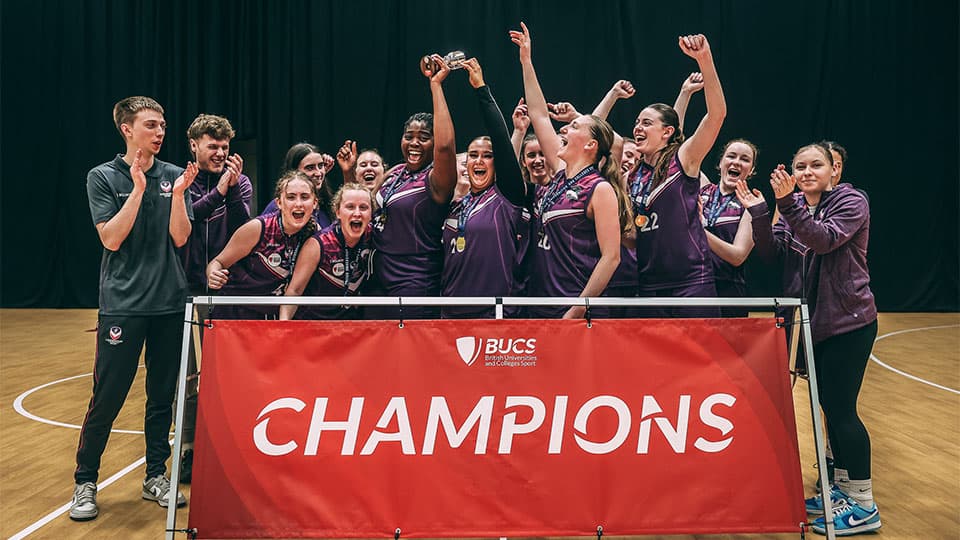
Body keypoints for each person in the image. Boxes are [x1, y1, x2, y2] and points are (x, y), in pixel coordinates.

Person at [737, 143, 880, 536]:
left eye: (815, 164)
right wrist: (762, 212)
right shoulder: (794, 205)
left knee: (842, 410)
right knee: (828, 409)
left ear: (834, 170)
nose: (806, 171)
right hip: (811, 324)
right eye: (800, 166)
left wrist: (788, 204)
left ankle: (865, 503)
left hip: (848, 323)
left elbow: (823, 240)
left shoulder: (851, 201)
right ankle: (841, 491)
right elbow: (772, 253)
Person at [71, 96, 194, 521]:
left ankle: (156, 476)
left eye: (163, 125)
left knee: (162, 398)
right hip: (123, 305)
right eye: (152, 125)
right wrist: (138, 189)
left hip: (169, 305)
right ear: (127, 128)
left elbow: (180, 238)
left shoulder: (176, 176)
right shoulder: (102, 177)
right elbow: (111, 239)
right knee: (107, 397)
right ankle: (85, 481)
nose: (161, 132)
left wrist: (177, 195)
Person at [510, 22, 631, 319]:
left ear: (590, 145)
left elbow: (611, 257)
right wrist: (526, 60)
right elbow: (538, 113)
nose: (564, 127)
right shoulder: (560, 173)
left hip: (574, 314)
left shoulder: (599, 189)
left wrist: (576, 311)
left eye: (574, 126)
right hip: (540, 306)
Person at [629, 34, 726, 318]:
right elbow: (635, 235)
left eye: (646, 123)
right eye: (636, 122)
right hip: (648, 286)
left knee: (700, 363)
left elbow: (717, 115)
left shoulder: (683, 159)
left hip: (690, 283)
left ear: (667, 132)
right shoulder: (633, 176)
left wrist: (704, 60)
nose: (638, 127)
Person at [177, 113, 252, 483]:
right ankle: (189, 451)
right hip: (188, 292)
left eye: (225, 147)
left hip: (230, 291)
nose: (221, 152)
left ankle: (232, 448)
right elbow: (186, 224)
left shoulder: (241, 182)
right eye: (213, 146)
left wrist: (233, 188)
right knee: (191, 378)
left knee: (229, 375)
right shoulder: (181, 183)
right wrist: (219, 190)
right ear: (194, 146)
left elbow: (244, 228)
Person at [368, 54, 457, 319]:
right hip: (376, 282)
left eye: (424, 138)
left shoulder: (436, 180)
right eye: (409, 137)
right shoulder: (394, 173)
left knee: (410, 359)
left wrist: (436, 87)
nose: (415, 143)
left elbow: (445, 146)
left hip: (415, 284)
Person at [440, 57, 531, 319]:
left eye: (487, 155)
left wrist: (481, 89)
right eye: (473, 155)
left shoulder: (507, 196)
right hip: (451, 316)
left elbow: (500, 139)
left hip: (495, 315)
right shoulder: (456, 205)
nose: (479, 161)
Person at [206, 171, 318, 319]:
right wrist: (213, 274)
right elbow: (218, 262)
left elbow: (296, 290)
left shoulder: (315, 235)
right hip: (235, 312)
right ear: (279, 203)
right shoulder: (258, 228)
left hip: (273, 315)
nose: (298, 204)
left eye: (304, 197)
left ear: (315, 203)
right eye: (291, 197)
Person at [280, 183, 374, 320]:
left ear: (371, 213)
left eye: (364, 207)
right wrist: (283, 328)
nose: (357, 213)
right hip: (313, 326)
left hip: (350, 327)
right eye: (350, 207)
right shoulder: (318, 244)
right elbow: (294, 291)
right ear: (338, 212)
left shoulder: (373, 236)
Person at [699, 139, 757, 317]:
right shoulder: (702, 188)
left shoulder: (752, 206)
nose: (737, 162)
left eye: (745, 159)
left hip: (728, 289)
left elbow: (737, 256)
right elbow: (679, 153)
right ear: (720, 163)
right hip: (693, 284)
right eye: (731, 156)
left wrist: (699, 230)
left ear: (752, 170)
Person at [262, 143, 334, 228]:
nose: (318, 173)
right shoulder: (277, 207)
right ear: (294, 172)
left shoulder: (324, 202)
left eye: (320, 166)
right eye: (310, 168)